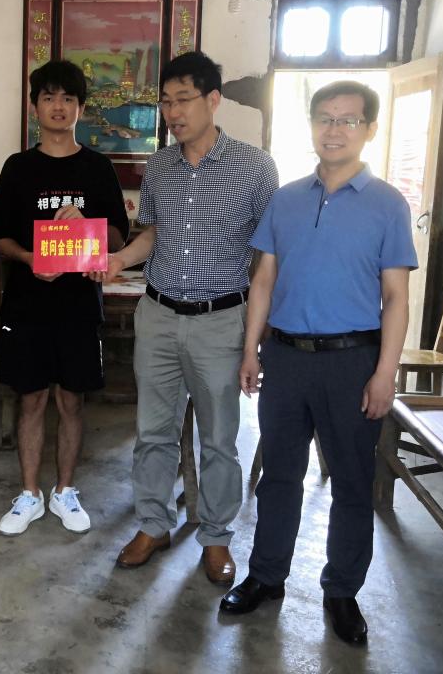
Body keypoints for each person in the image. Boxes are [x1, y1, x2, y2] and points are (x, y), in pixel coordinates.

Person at [219, 81, 416, 645]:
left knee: (352, 480)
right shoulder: (286, 199)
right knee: (279, 474)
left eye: (348, 120)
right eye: (325, 118)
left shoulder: (387, 204)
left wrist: (385, 373)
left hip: (352, 361)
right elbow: (264, 279)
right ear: (311, 126)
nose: (334, 130)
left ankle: (342, 591)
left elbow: (396, 297)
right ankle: (266, 576)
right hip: (285, 358)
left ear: (370, 129)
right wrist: (251, 349)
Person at [90, 51, 278, 583]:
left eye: (183, 100)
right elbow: (152, 233)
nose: (173, 112)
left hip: (222, 319)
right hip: (158, 315)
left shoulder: (255, 167)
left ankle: (216, 537)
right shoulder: (159, 167)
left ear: (213, 100)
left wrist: (255, 336)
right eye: (165, 102)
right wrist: (119, 259)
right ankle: (154, 524)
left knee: (218, 438)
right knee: (153, 431)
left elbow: (268, 255)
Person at [0, 59, 129, 537]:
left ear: (81, 107)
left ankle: (65, 490)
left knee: (72, 400)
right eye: (49, 97)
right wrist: (29, 258)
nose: (59, 106)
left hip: (79, 305)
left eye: (68, 98)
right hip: (27, 305)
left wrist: (88, 225)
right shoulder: (18, 168)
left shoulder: (98, 168)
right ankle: (29, 494)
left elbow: (119, 237)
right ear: (35, 107)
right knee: (31, 400)